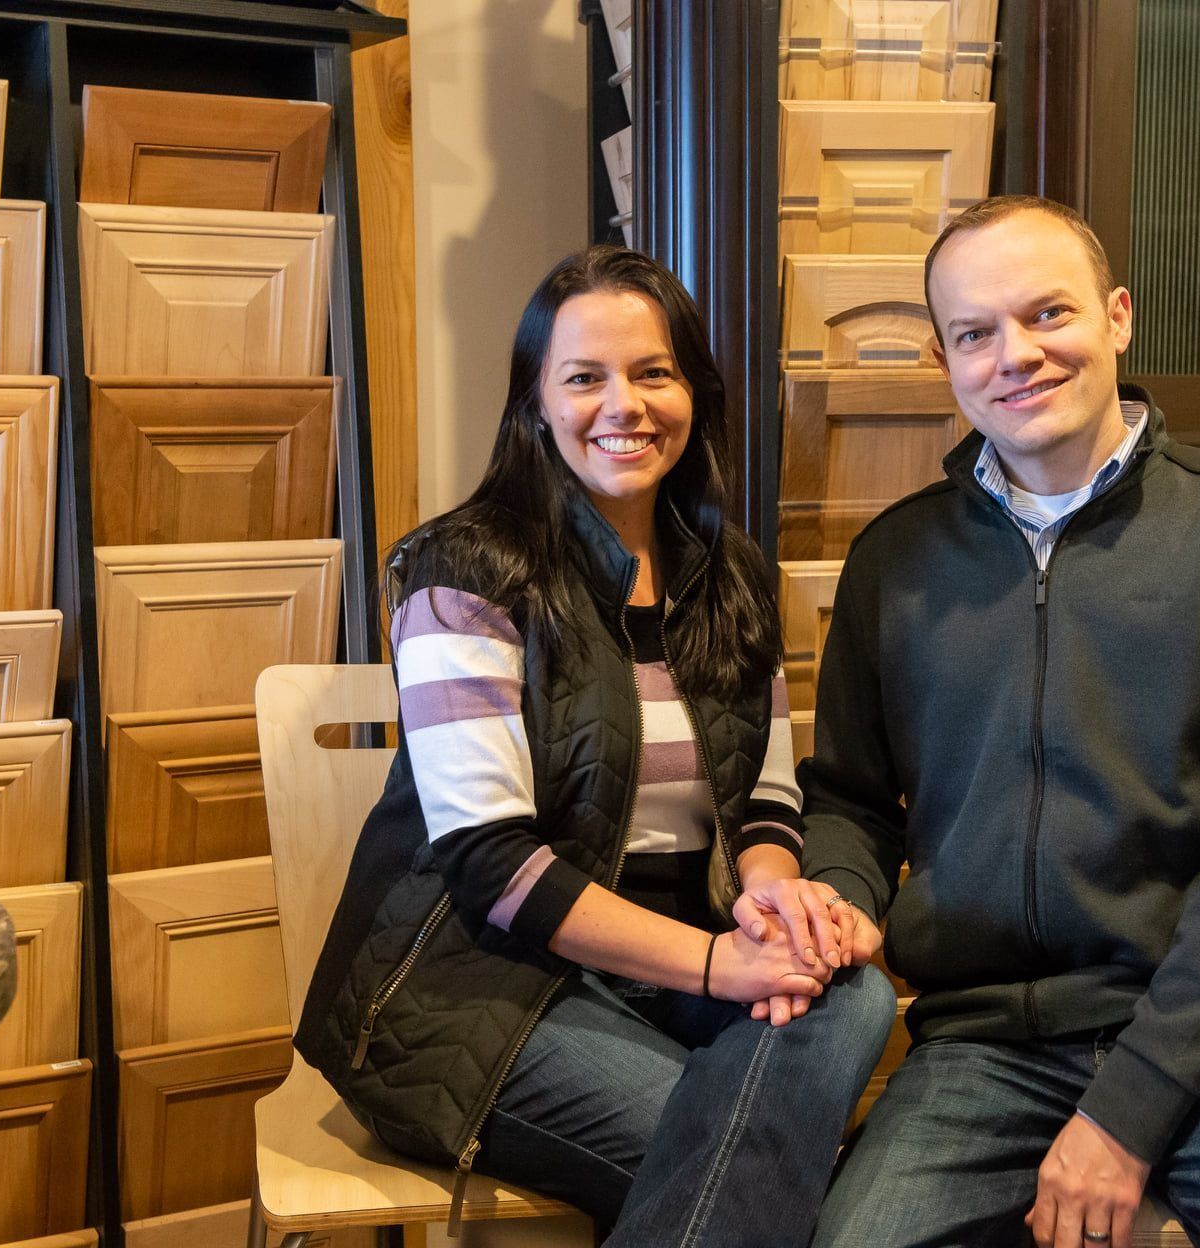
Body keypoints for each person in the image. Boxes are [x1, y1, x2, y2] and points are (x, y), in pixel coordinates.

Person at [802, 196, 1200, 1248]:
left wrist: (1122, 1116)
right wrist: (844, 900)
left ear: (1117, 318)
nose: (1016, 356)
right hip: (986, 1042)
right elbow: (853, 800)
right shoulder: (893, 565)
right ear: (946, 359)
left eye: (1048, 315)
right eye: (976, 334)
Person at [296, 244, 895, 1246]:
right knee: (775, 1184)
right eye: (584, 377)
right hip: (476, 987)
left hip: (675, 964)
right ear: (536, 402)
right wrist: (717, 967)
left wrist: (776, 902)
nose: (624, 405)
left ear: (694, 393)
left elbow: (767, 798)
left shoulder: (732, 572)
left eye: (653, 373)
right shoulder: (465, 571)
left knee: (854, 989)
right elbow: (490, 866)